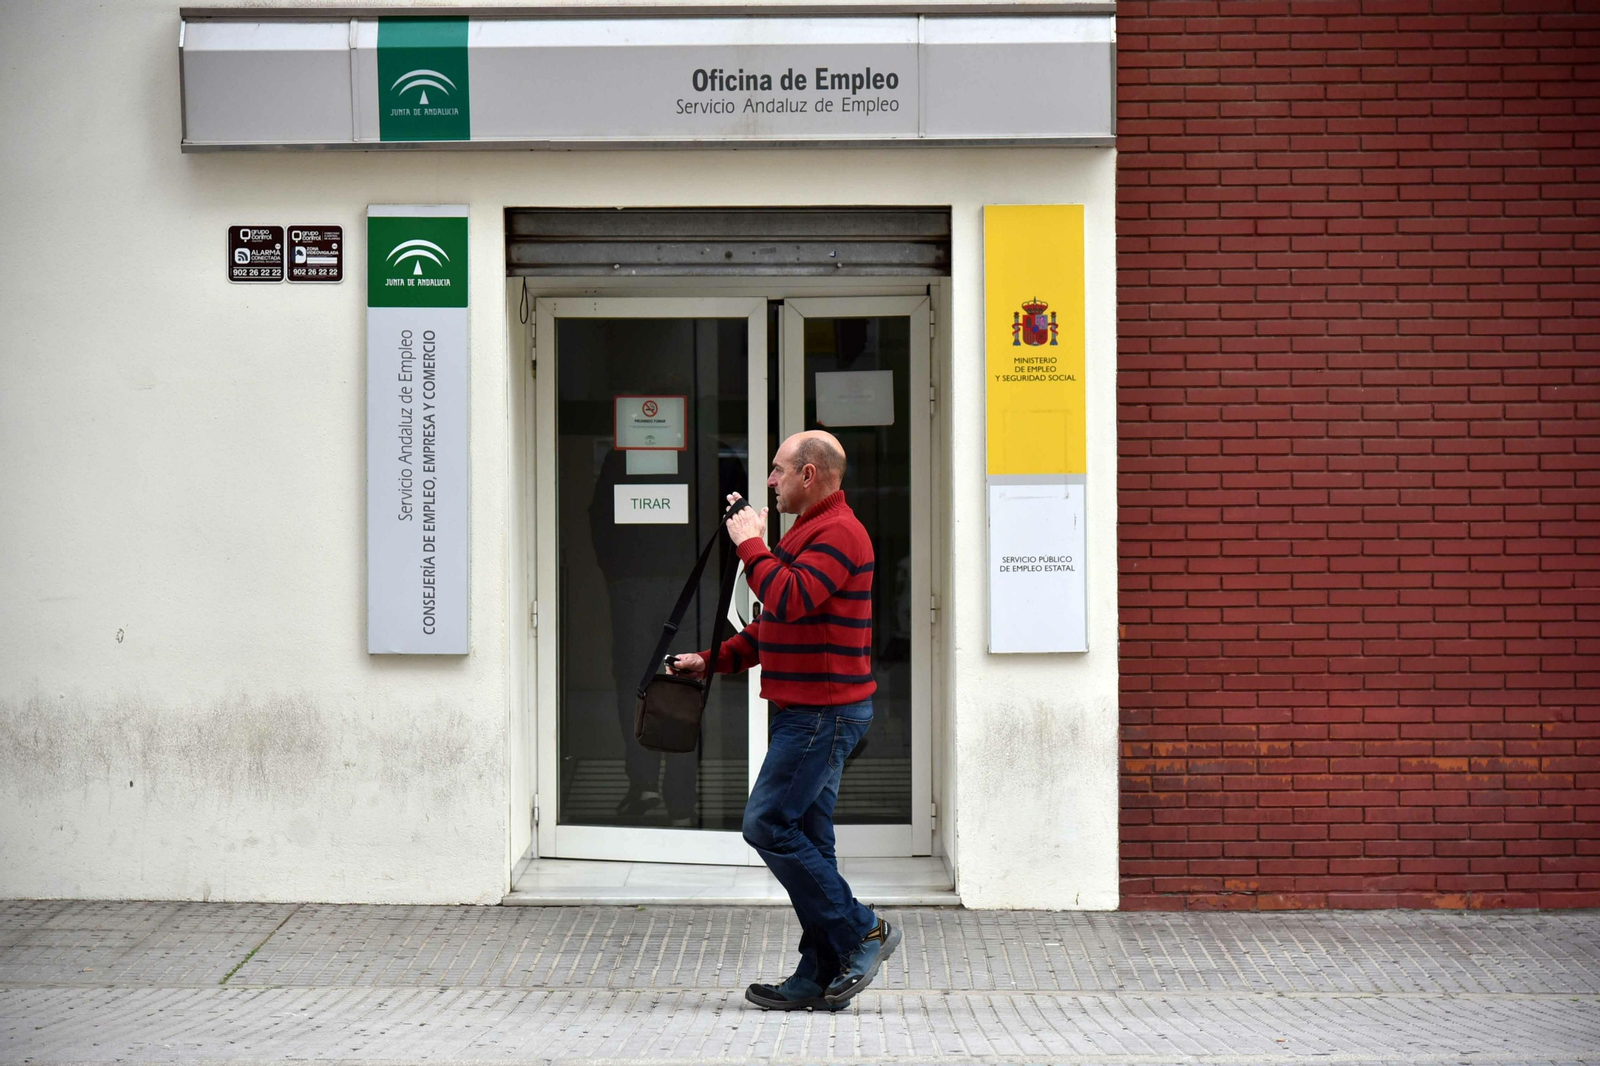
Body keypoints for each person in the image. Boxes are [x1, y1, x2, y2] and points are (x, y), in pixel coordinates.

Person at [669, 430, 901, 1010]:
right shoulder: (806, 531)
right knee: (812, 844)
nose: (769, 481)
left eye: (778, 470)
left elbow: (790, 596)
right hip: (811, 711)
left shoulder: (840, 533)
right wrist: (712, 659)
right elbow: (775, 624)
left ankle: (864, 931)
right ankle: (818, 973)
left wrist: (751, 544)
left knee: (767, 824)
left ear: (809, 475)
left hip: (823, 713)